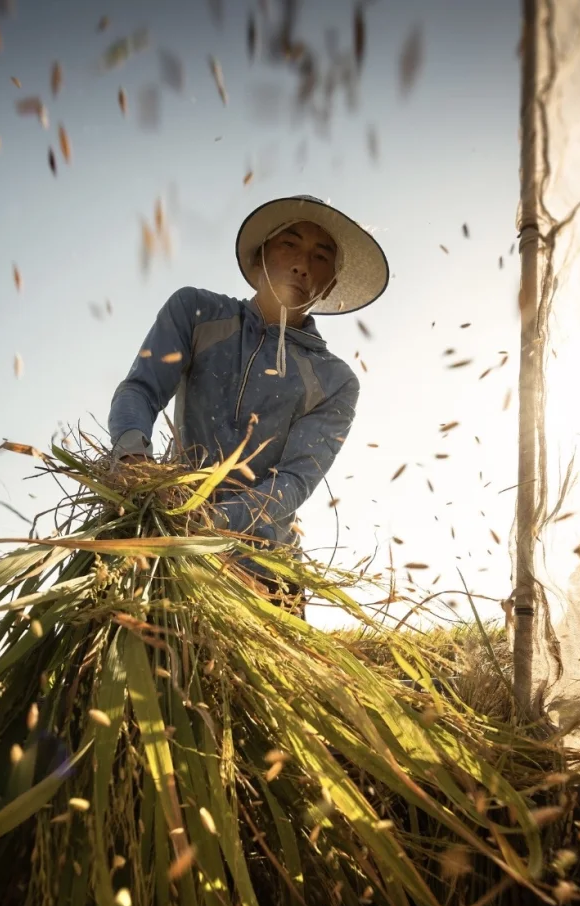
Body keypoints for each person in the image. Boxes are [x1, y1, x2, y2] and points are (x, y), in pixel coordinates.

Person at [108, 194, 388, 618]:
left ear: (330, 285)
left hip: (265, 572)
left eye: (320, 256)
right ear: (259, 260)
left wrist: (207, 524)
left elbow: (294, 480)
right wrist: (132, 456)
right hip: (170, 547)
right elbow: (140, 390)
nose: (302, 265)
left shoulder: (334, 381)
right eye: (289, 245)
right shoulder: (196, 312)